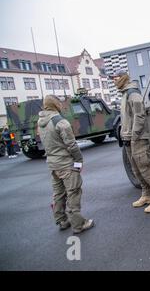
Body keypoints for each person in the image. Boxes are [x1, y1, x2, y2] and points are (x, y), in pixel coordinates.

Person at [38, 95, 94, 234]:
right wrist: (79, 161)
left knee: (58, 194)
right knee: (73, 192)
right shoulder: (60, 121)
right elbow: (71, 145)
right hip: (66, 164)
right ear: (56, 104)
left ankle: (62, 220)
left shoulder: (41, 121)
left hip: (53, 165)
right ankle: (79, 224)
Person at [112, 70, 150, 213]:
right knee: (136, 169)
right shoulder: (125, 94)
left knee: (145, 168)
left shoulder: (133, 93)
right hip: (128, 138)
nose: (114, 80)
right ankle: (146, 195)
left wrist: (135, 135)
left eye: (115, 77)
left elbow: (140, 115)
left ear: (123, 78)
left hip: (138, 138)